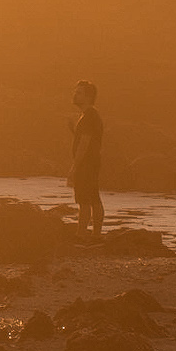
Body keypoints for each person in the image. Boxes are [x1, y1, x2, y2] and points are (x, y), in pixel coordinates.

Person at [68, 80, 104, 237]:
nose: (75, 95)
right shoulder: (89, 116)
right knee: (93, 198)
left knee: (84, 200)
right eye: (75, 92)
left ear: (88, 97)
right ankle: (95, 235)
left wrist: (74, 168)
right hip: (92, 163)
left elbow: (85, 143)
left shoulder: (89, 116)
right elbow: (85, 139)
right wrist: (73, 129)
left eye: (79, 93)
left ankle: (81, 234)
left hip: (86, 164)